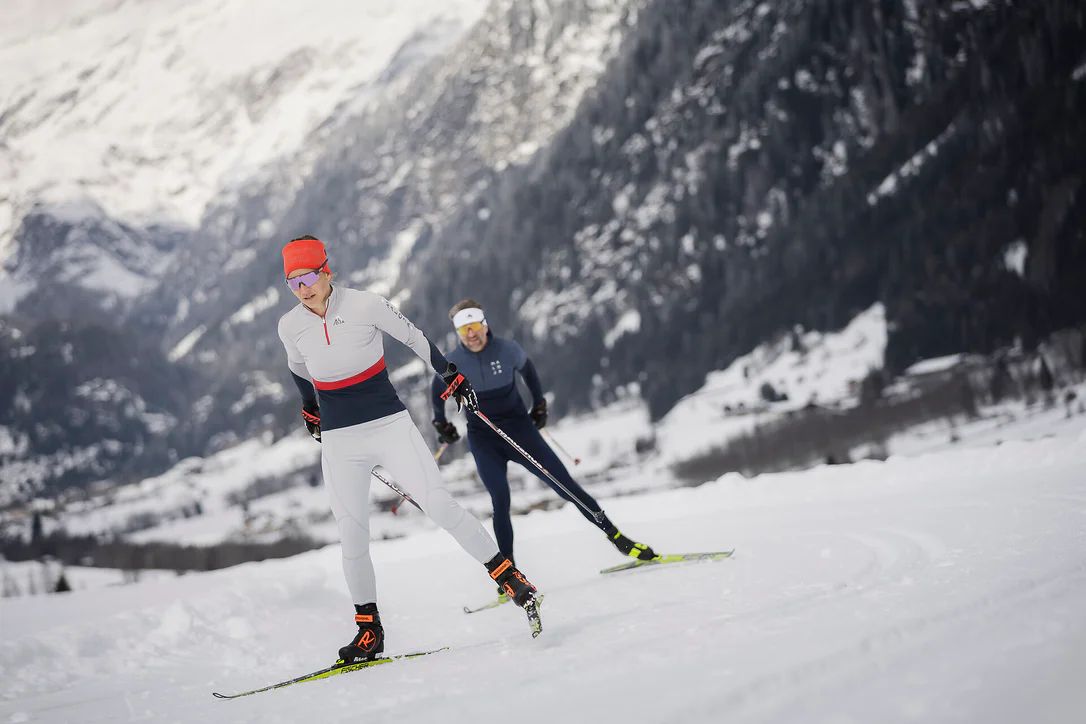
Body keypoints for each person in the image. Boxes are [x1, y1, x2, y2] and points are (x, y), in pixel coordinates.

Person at [276, 238, 541, 664]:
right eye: (292, 282)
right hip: (342, 440)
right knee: (352, 534)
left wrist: (449, 373)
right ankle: (369, 631)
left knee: (438, 504)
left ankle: (511, 578)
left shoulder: (365, 305)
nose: (302, 288)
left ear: (328, 272)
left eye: (308, 277)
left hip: (388, 426)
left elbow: (414, 338)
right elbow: (298, 368)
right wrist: (310, 409)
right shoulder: (290, 325)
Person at [430, 299, 656, 574]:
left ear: (485, 325)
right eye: (464, 330)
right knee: (500, 500)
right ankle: (509, 573)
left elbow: (529, 373)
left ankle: (618, 538)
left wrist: (539, 404)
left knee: (565, 485)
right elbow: (435, 387)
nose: (472, 334)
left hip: (520, 429)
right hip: (484, 438)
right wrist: (441, 423)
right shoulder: (454, 362)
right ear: (458, 333)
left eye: (475, 326)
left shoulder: (508, 350)